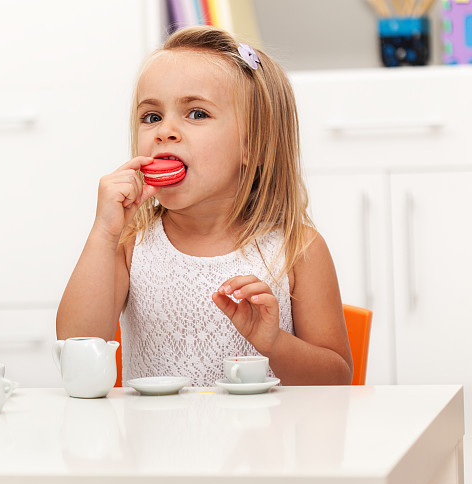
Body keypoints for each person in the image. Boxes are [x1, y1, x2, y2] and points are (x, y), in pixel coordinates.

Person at [56, 26, 352, 386]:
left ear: (254, 146)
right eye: (151, 117)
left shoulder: (297, 248)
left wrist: (275, 343)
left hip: (264, 442)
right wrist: (103, 234)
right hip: (152, 442)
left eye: (196, 114)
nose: (164, 131)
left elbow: (336, 381)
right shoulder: (129, 245)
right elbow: (76, 351)